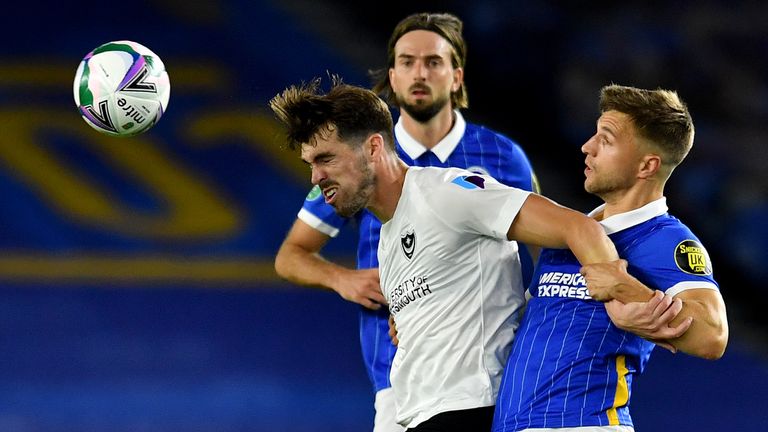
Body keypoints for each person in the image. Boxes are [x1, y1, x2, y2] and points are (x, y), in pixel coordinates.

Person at [269, 78, 636, 431]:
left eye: (326, 159)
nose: (315, 177)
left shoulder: (447, 192)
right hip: (423, 414)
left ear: (374, 148)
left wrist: (621, 297)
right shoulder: (389, 232)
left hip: (469, 409)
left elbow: (578, 227)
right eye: (311, 165)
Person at [273, 12, 539, 432]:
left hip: (486, 372)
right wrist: (344, 280)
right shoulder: (356, 158)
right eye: (407, 62)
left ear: (456, 77)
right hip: (395, 369)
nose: (420, 73)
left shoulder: (504, 157)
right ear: (392, 78)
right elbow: (290, 255)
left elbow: (542, 252)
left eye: (433, 62)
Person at [492, 85, 729, 432]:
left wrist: (627, 288)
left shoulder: (667, 241)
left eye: (606, 139)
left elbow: (713, 337)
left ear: (647, 165)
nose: (587, 147)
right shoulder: (568, 233)